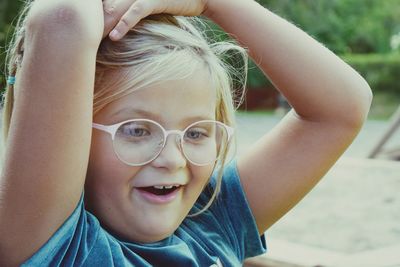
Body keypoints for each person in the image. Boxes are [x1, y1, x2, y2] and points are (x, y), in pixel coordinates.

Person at [0, 0, 372, 266]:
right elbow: (62, 18)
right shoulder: (58, 247)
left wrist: (215, 3)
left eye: (196, 133)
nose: (173, 159)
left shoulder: (211, 223)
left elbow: (341, 110)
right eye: (137, 130)